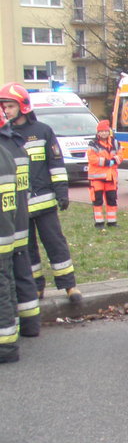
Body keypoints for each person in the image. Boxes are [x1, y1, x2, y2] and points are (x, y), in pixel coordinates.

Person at [0, 83, 82, 304]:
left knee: (55, 243)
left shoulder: (42, 131)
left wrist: (62, 192)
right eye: (3, 106)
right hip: (19, 207)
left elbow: (55, 164)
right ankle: (36, 288)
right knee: (28, 250)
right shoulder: (5, 136)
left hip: (44, 203)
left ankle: (69, 286)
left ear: (23, 106)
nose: (6, 111)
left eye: (10, 106)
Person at [0, 114, 40, 337]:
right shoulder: (16, 144)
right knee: (21, 270)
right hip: (18, 219)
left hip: (6, 225)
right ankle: (30, 325)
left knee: (5, 280)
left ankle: (8, 336)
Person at [0, 135, 19, 363]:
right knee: (7, 282)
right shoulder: (6, 153)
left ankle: (5, 347)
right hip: (7, 229)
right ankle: (11, 332)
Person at [87, 120, 123, 229]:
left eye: (105, 131)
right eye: (101, 131)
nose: (103, 133)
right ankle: (99, 223)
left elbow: (121, 155)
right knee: (97, 201)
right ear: (98, 133)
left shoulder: (115, 143)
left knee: (111, 199)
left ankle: (112, 222)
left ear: (109, 132)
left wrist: (115, 160)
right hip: (97, 177)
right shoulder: (93, 144)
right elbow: (92, 159)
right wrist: (108, 162)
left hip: (111, 177)